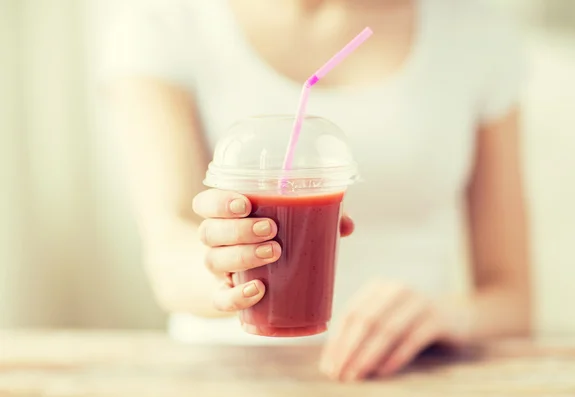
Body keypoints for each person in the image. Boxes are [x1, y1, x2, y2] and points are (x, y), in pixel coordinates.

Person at [102, 0, 531, 381]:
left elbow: (513, 301)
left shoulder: (475, 31)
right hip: (228, 373)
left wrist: (446, 315)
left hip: (404, 373)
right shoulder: (165, 21)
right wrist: (223, 270)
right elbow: (168, 254)